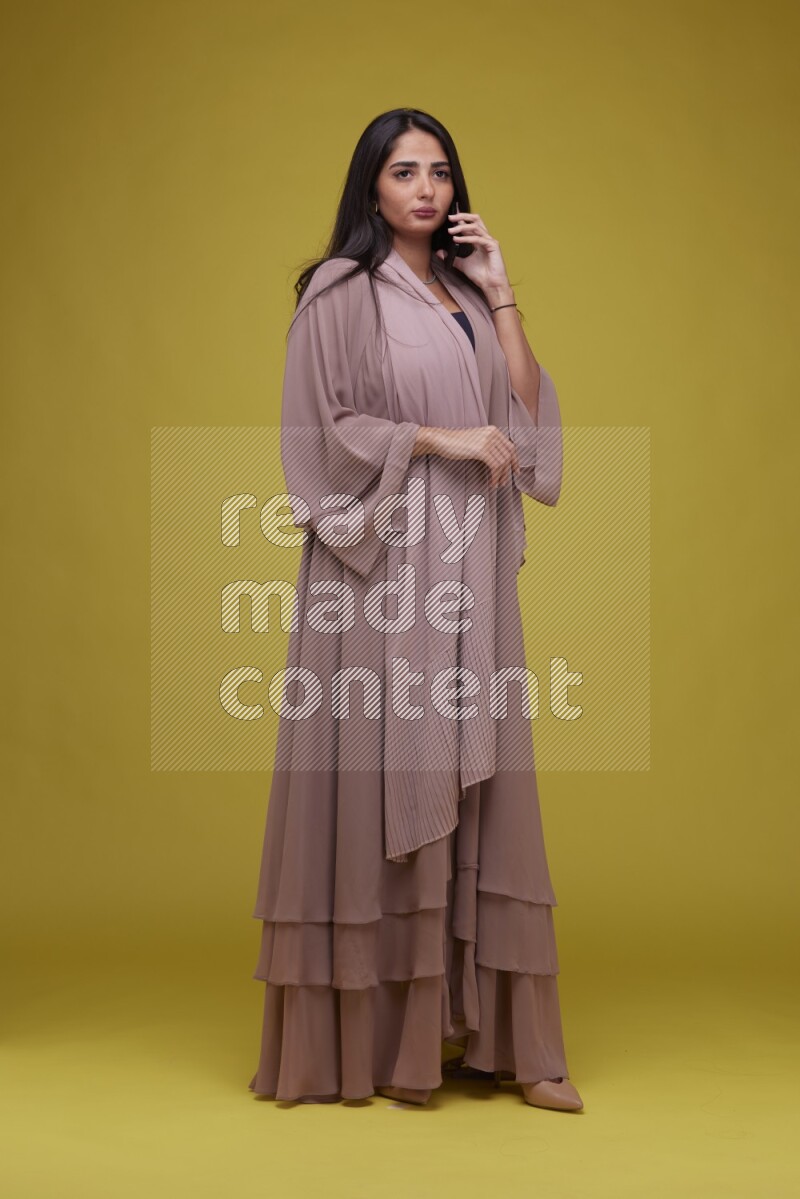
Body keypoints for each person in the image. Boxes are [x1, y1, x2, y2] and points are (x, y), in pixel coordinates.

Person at [248, 107, 584, 1112]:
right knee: (384, 766)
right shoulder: (339, 293)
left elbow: (522, 427)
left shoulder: (462, 297)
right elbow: (324, 431)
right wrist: (437, 440)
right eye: (404, 172)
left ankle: (509, 1042)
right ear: (372, 188)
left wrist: (502, 294)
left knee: (483, 771)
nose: (426, 188)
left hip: (470, 570)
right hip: (377, 570)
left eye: (439, 171)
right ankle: (370, 1045)